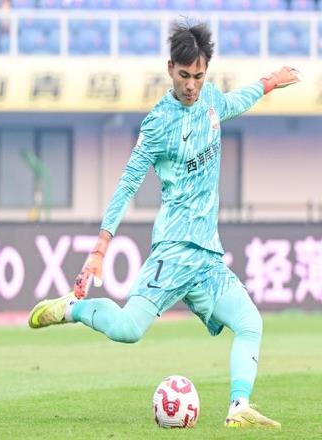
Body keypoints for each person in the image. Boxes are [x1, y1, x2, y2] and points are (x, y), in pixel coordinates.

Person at [28, 20, 300, 429]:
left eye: (198, 76)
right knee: (127, 329)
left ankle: (238, 406)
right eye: (184, 75)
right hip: (173, 250)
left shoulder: (211, 100)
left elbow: (236, 101)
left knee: (250, 323)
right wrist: (100, 248)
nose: (191, 85)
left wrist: (269, 82)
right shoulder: (158, 123)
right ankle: (71, 309)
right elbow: (127, 183)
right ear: (170, 68)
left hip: (207, 258)